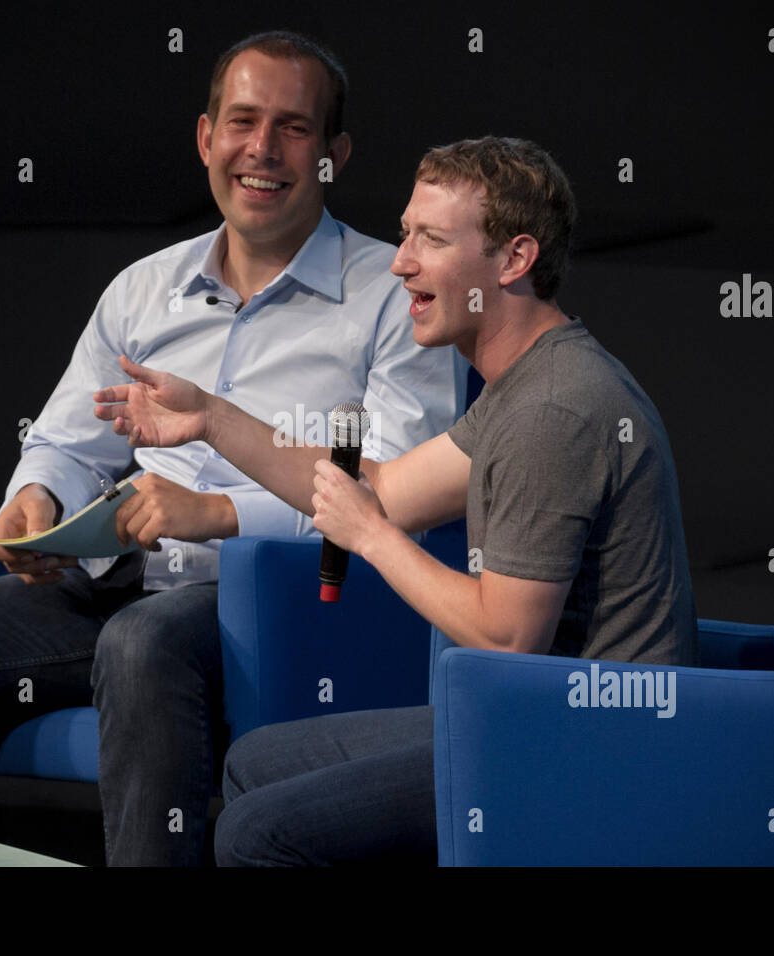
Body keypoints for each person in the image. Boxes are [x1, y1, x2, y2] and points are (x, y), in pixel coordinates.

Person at [0, 31, 460, 866]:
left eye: (294, 127)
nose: (262, 150)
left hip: (286, 600)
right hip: (116, 579)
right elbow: (65, 437)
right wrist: (41, 498)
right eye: (241, 121)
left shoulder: (395, 298)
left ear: (334, 154)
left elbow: (394, 496)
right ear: (207, 138)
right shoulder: (141, 290)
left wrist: (217, 513)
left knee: (141, 645)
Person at [93, 136, 699, 865]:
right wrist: (213, 420)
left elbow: (508, 640)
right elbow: (378, 488)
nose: (400, 261)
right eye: (405, 232)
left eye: (432, 241)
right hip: (527, 718)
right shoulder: (527, 384)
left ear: (514, 260)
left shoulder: (555, 412)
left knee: (259, 835)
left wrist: (373, 538)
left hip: (583, 747)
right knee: (255, 763)